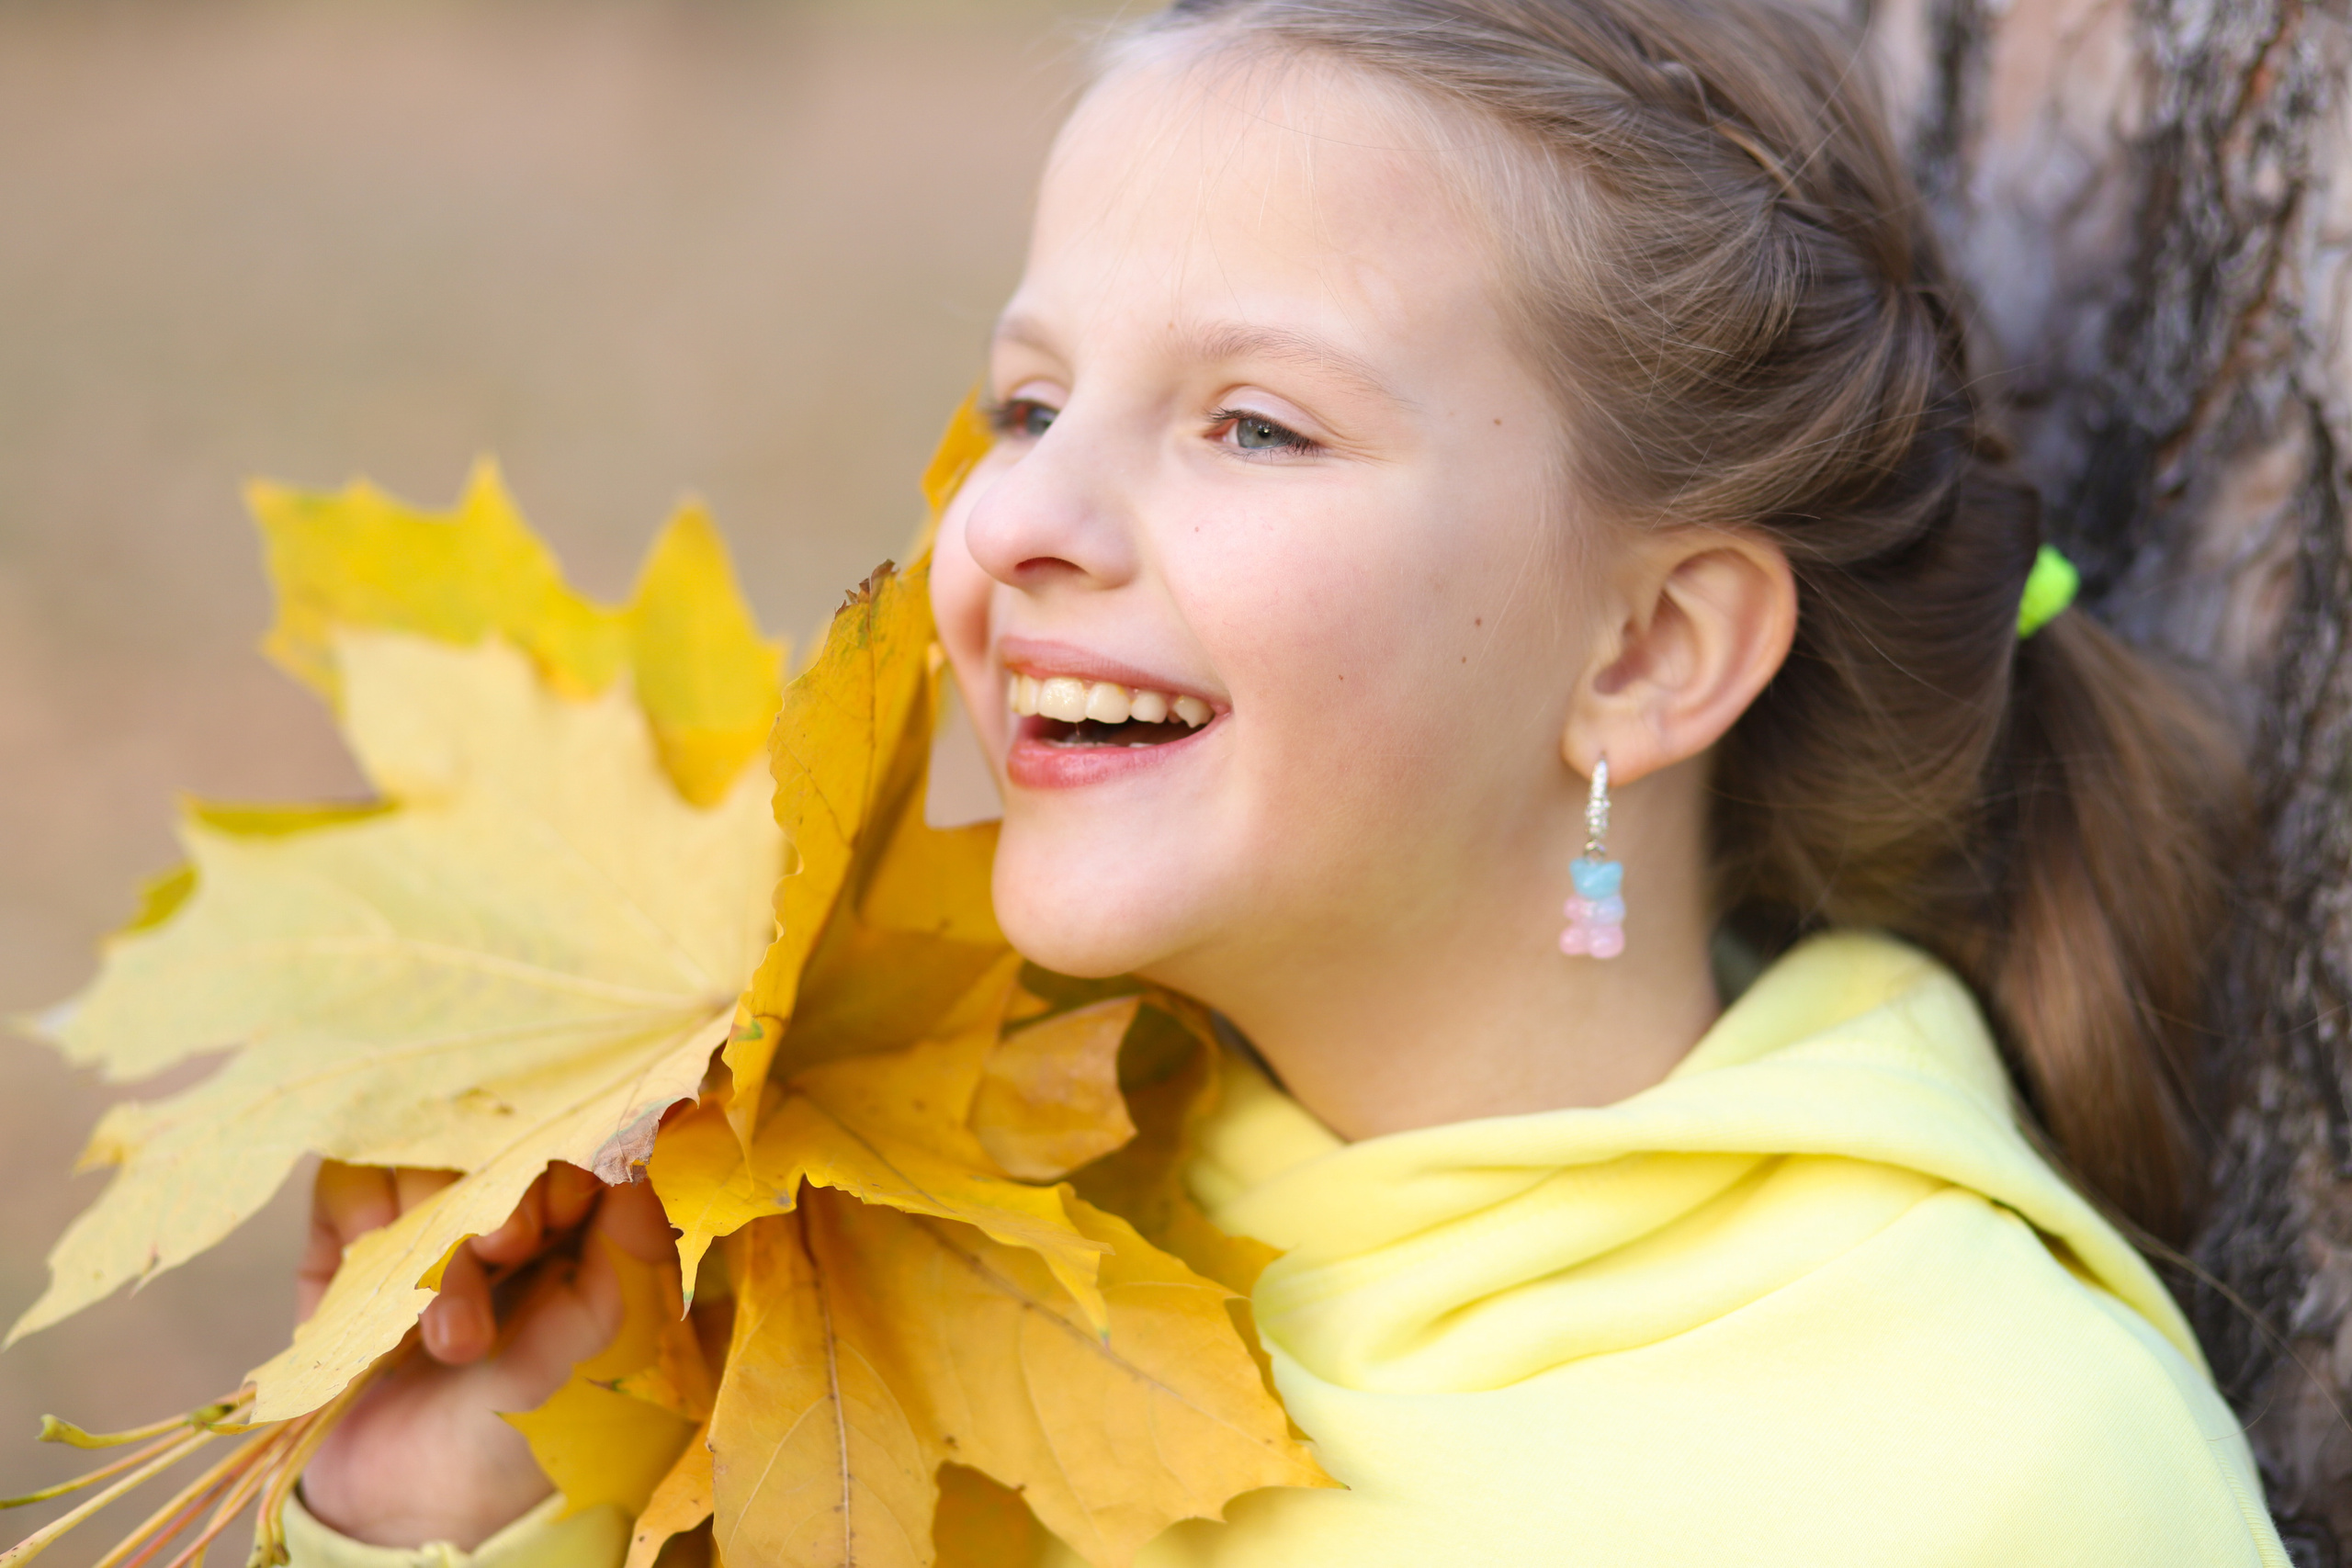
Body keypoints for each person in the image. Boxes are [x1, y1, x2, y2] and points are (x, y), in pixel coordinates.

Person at [285, 0, 2292, 1562]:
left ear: (1644, 649)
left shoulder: (1984, 1465)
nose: (1014, 518)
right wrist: (444, 1498)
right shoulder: (850, 1239)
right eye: (1030, 400)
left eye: (1249, 425)